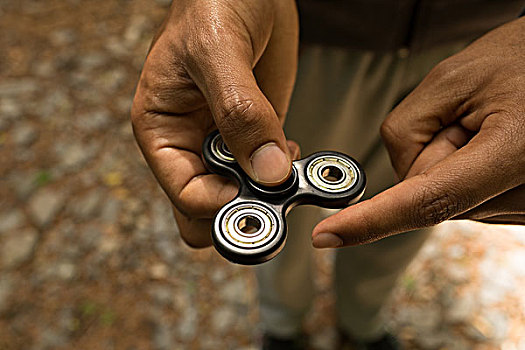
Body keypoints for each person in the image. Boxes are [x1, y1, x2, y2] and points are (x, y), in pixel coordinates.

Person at [131, 1, 525, 349]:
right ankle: (283, 324)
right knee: (275, 214)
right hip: (311, 34)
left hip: (478, 45)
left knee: (411, 210)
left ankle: (363, 321)